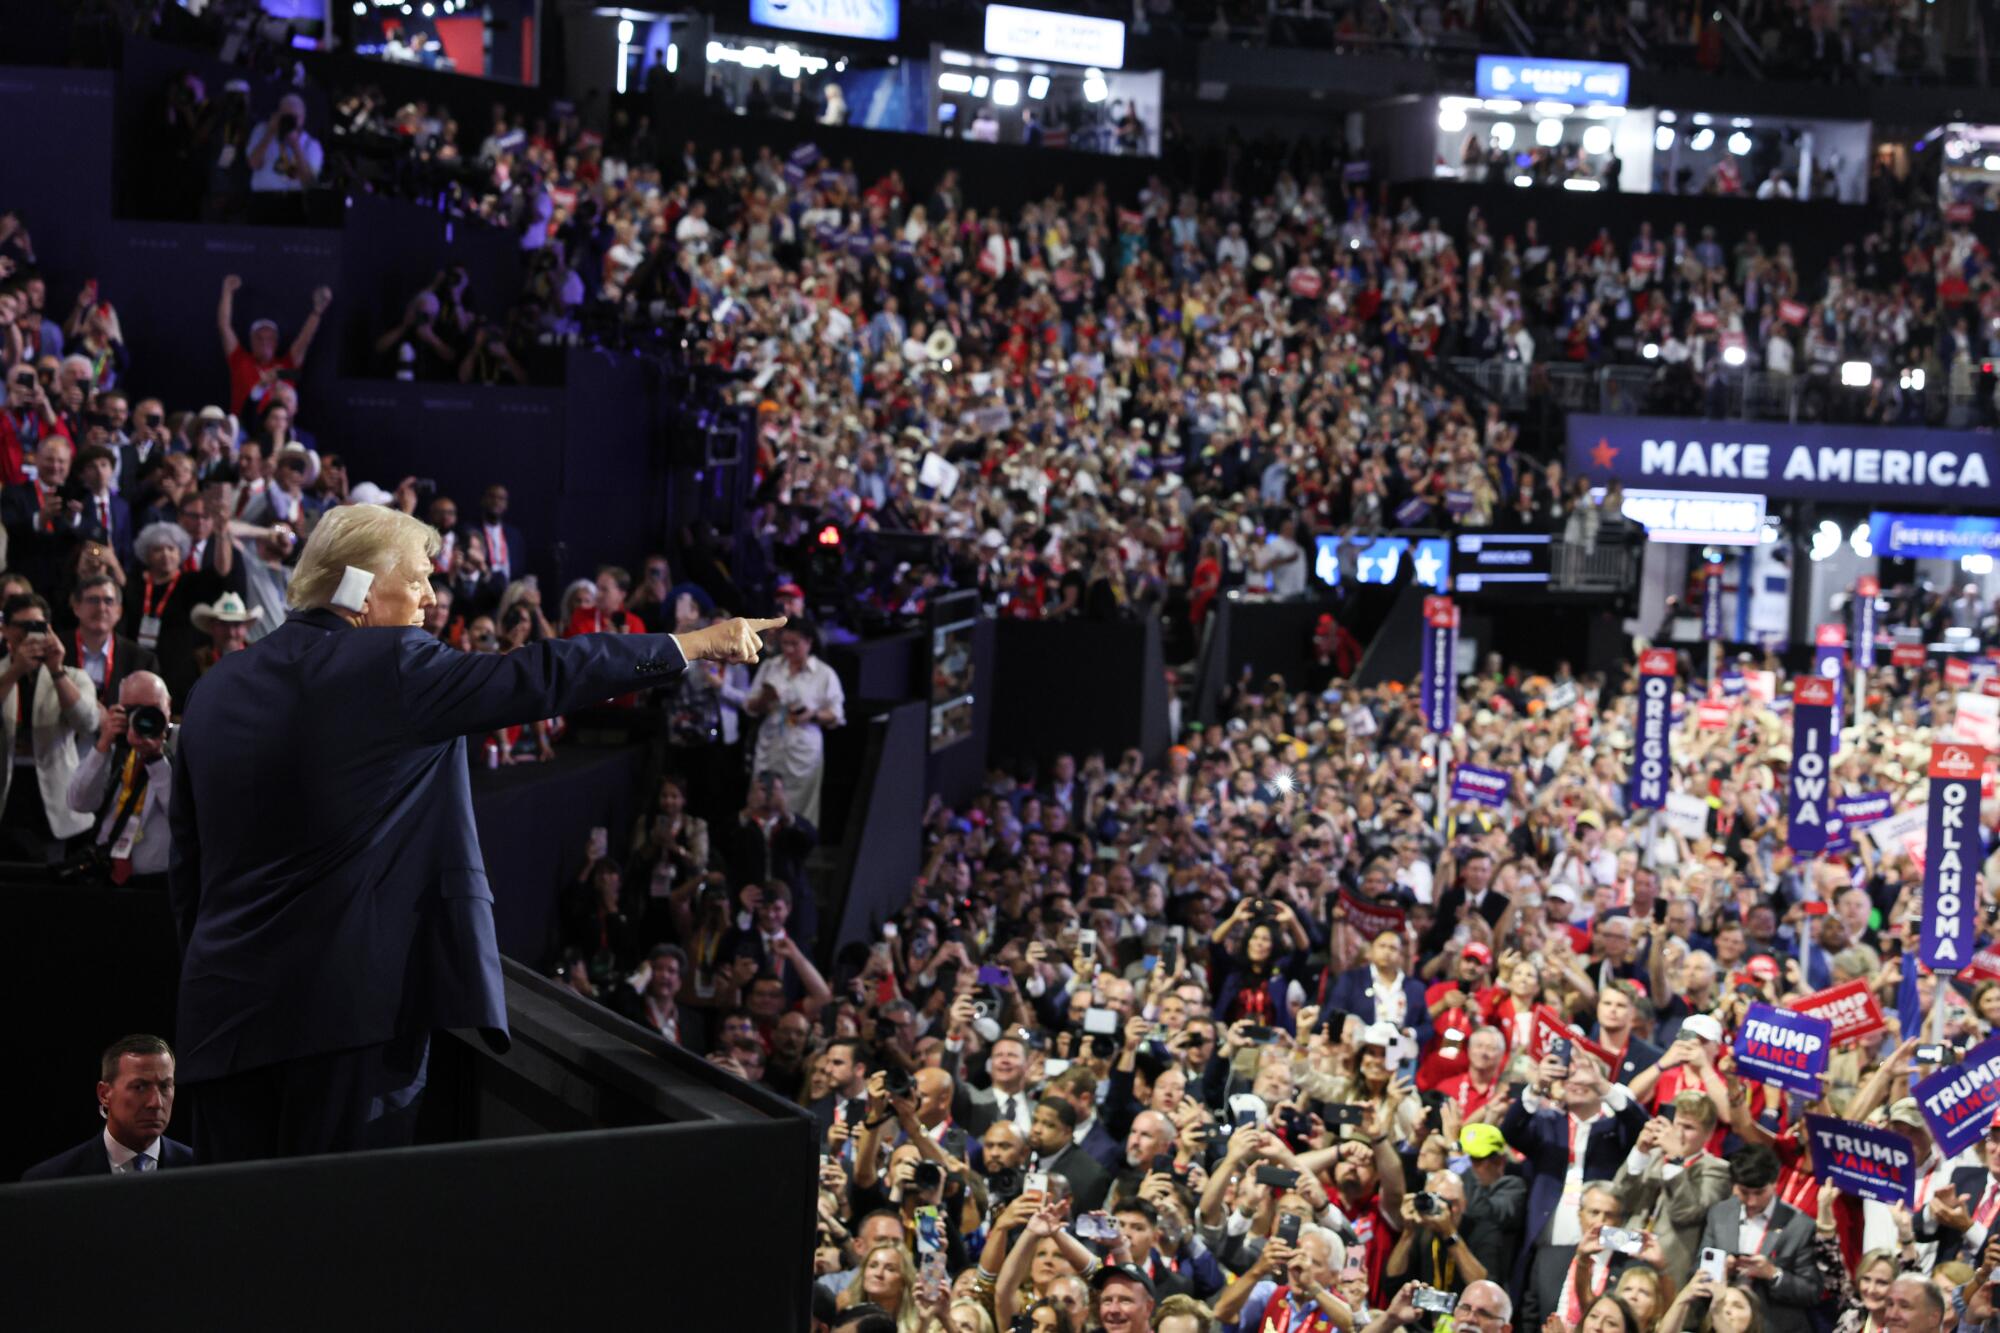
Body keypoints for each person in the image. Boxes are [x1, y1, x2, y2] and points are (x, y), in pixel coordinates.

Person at [167, 502, 784, 1161]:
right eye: (420, 576)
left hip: (221, 1019)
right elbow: (544, 672)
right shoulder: (395, 665)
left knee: (231, 1242)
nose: (431, 599)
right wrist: (693, 644)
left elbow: (189, 867)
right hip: (347, 1025)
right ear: (362, 583)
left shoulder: (214, 688)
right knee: (333, 1242)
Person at [0, 592, 101, 861]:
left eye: (37, 626)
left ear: (50, 630)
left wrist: (56, 671)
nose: (28, 635)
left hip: (54, 797)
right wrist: (14, 672)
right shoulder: (2, 673)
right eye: (21, 627)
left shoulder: (75, 677)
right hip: (7, 791)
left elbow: (88, 722)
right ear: (5, 630)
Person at [19, 1034, 193, 1179]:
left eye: (165, 1087)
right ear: (104, 1094)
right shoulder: (50, 1181)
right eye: (139, 1087)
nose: (156, 1103)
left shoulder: (200, 1170)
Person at [66, 669, 174, 888]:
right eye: (132, 710)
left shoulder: (184, 744)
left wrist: (155, 759)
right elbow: (79, 802)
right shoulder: (116, 745)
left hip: (159, 880)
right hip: (109, 873)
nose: (141, 718)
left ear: (168, 706)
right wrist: (103, 745)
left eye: (151, 709)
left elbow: (184, 814)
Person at [1695, 1147, 1819, 1333]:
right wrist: (1719, 1269)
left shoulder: (1800, 1226)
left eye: (1759, 1193)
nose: (1751, 1201)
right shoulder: (1720, 1213)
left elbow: (1811, 1291)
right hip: (1720, 1321)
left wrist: (1772, 1274)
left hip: (1773, 1325)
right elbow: (1696, 1269)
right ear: (1734, 1185)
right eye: (1744, 1192)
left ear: (1775, 1183)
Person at [745, 618, 845, 826]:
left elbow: (836, 714)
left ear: (808, 642)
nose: (789, 650)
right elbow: (750, 706)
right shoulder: (770, 667)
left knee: (800, 808)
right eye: (785, 643)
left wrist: (813, 714)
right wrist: (766, 698)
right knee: (762, 795)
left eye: (795, 644)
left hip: (803, 749)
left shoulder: (824, 674)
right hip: (771, 744)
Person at [67, 573, 157, 706]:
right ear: (76, 607)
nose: (101, 608)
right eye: (93, 600)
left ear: (119, 611)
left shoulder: (142, 661)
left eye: (108, 601)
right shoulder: (55, 651)